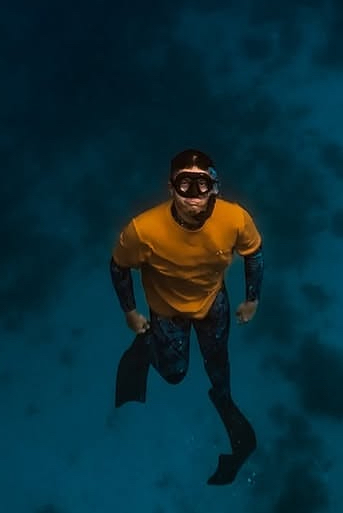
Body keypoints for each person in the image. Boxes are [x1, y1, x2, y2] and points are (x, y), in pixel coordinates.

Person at [110, 149, 264, 485]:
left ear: (214, 187)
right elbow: (119, 266)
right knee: (175, 374)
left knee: (218, 367)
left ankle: (222, 398)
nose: (193, 196)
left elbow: (253, 253)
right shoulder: (142, 230)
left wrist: (252, 299)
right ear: (171, 187)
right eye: (184, 185)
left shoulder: (235, 219)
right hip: (166, 312)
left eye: (201, 184)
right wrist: (131, 312)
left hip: (212, 303)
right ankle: (145, 346)